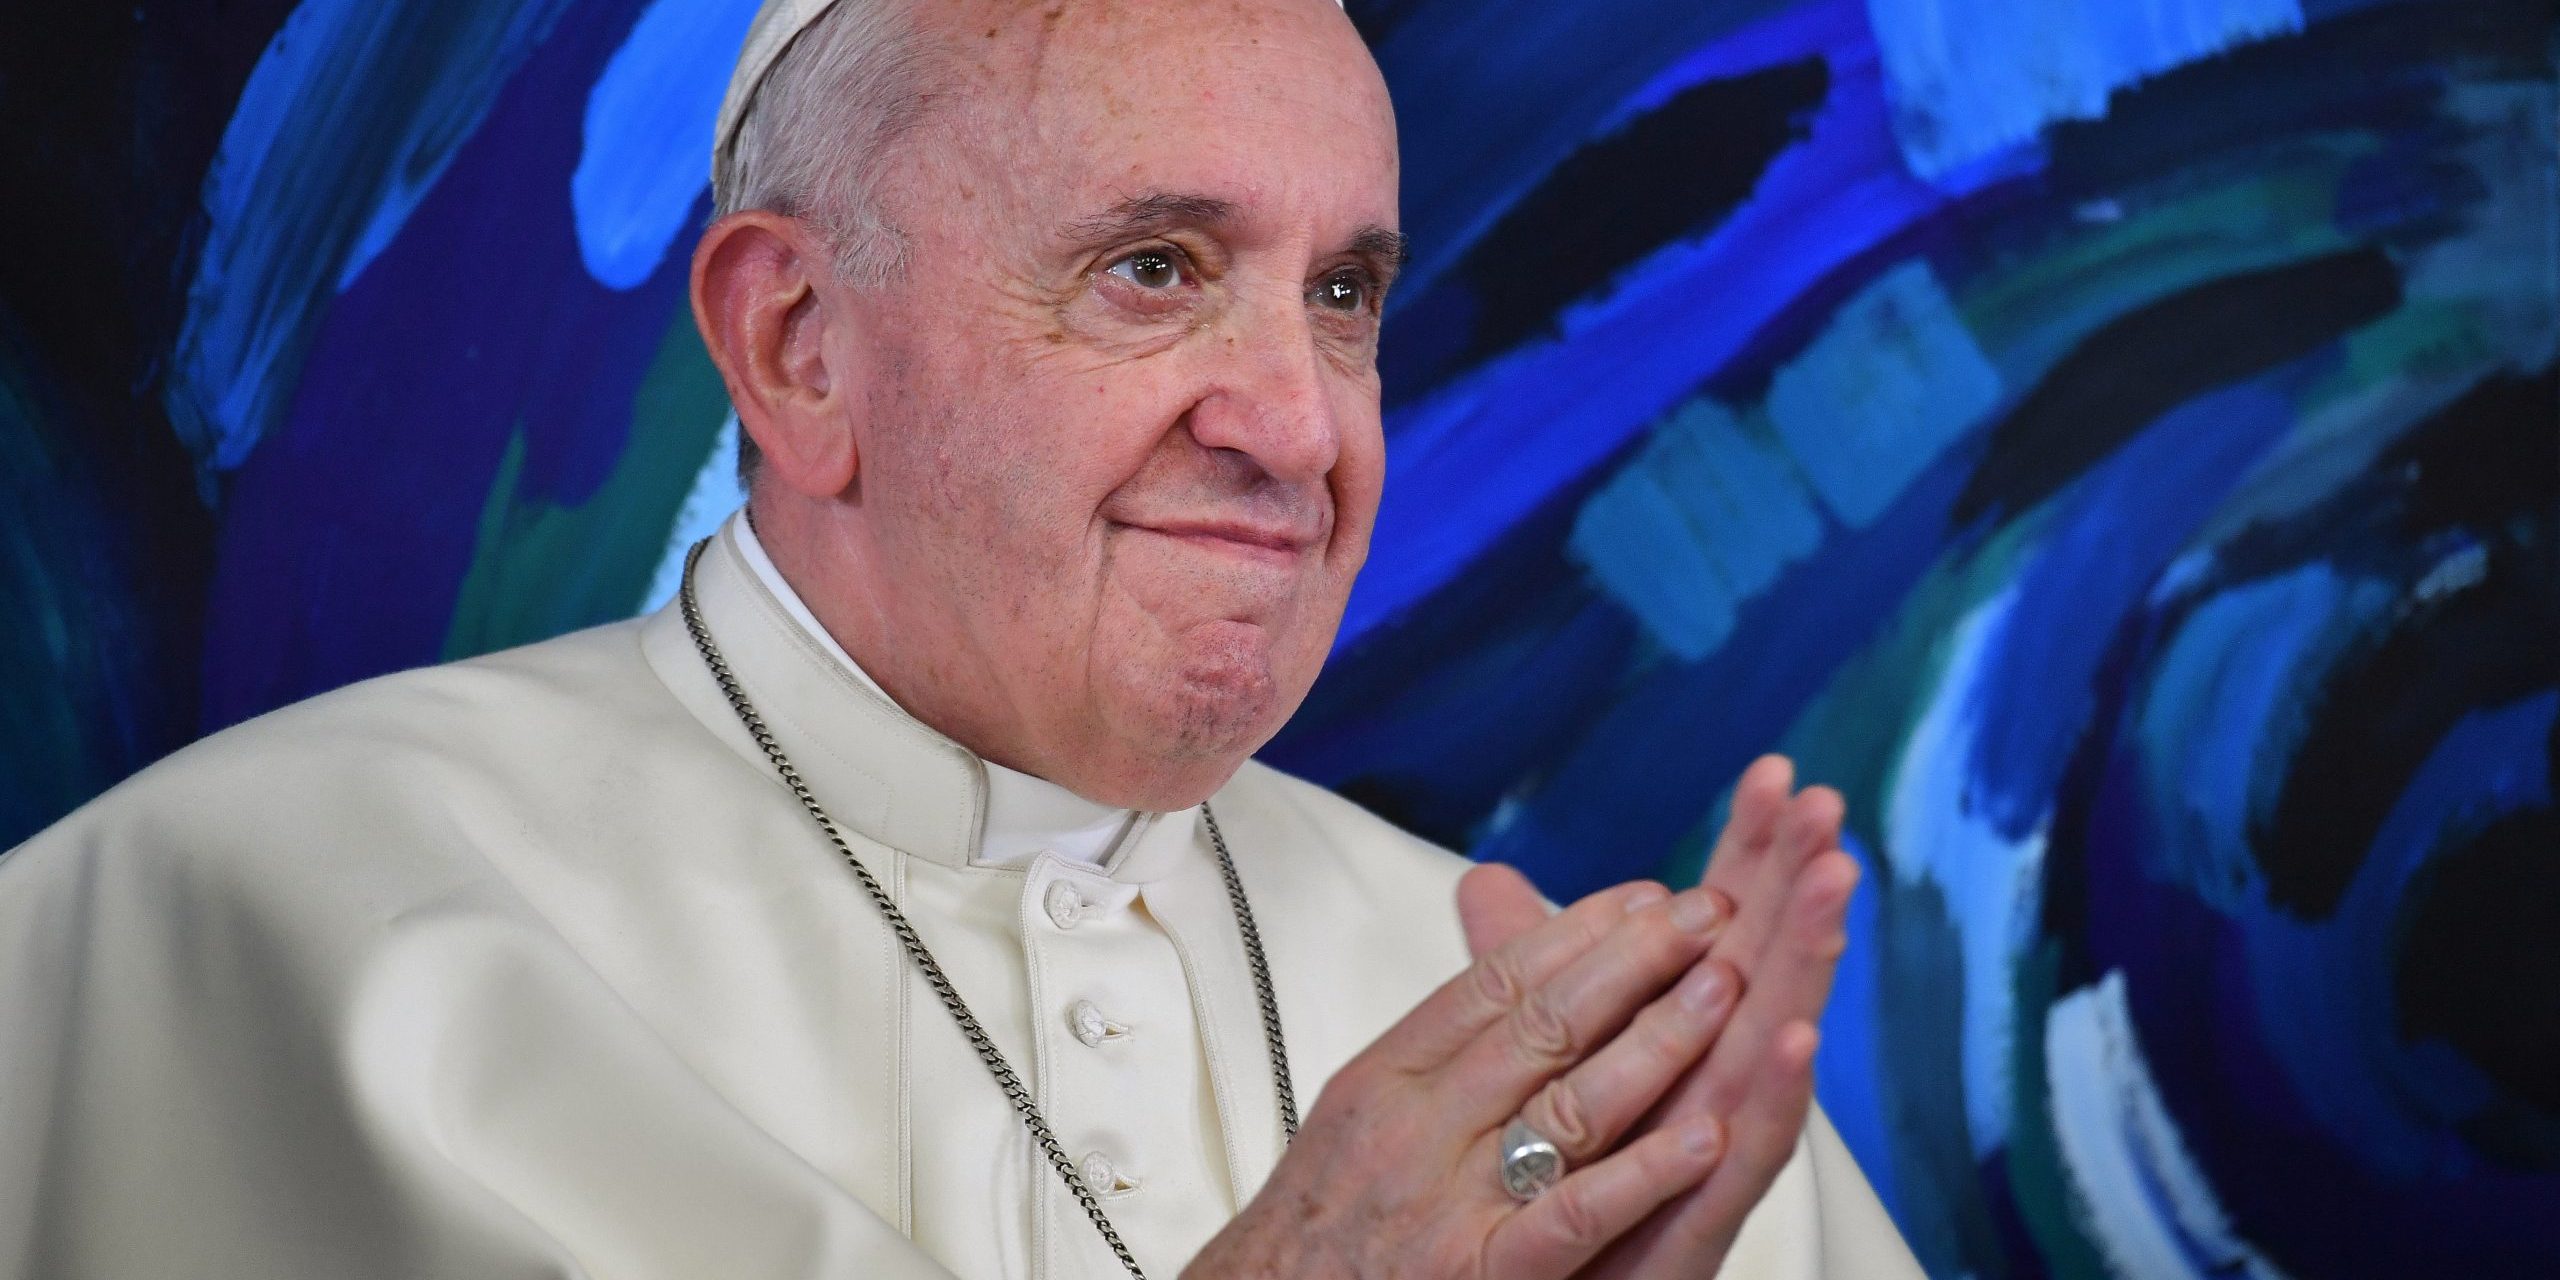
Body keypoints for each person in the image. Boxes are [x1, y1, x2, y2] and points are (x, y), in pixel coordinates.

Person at [0, 1, 1923, 1276]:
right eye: (1152, 271)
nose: (1302, 425)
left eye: (1342, 297)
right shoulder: (232, 926)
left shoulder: (1547, 1049)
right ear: (797, 348)